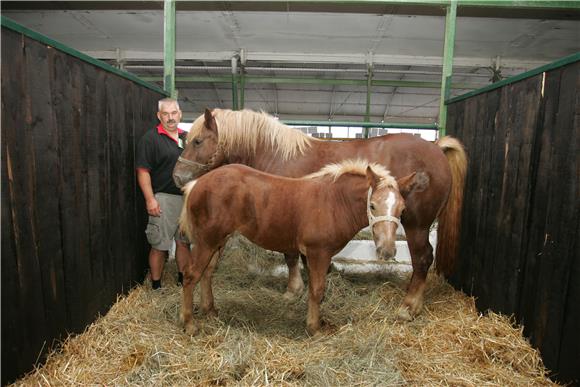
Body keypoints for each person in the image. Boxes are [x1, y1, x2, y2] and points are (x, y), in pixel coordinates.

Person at [136, 98, 190, 289]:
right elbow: (143, 171)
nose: (170, 118)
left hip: (186, 199)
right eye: (165, 114)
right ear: (159, 116)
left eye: (173, 113)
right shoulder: (151, 138)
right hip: (163, 199)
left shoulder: (188, 138)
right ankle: (157, 286)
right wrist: (150, 199)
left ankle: (183, 281)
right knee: (159, 244)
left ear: (180, 114)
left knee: (184, 242)